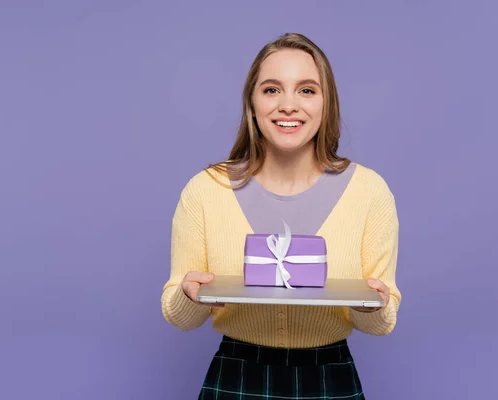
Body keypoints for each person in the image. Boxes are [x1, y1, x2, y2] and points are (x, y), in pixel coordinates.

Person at [161, 32, 401, 399]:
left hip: (330, 376)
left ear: (327, 103)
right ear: (252, 103)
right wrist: (190, 296)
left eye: (307, 90)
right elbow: (179, 316)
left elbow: (382, 323)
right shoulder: (205, 190)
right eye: (272, 89)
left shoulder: (369, 191)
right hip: (237, 374)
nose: (288, 105)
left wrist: (375, 304)